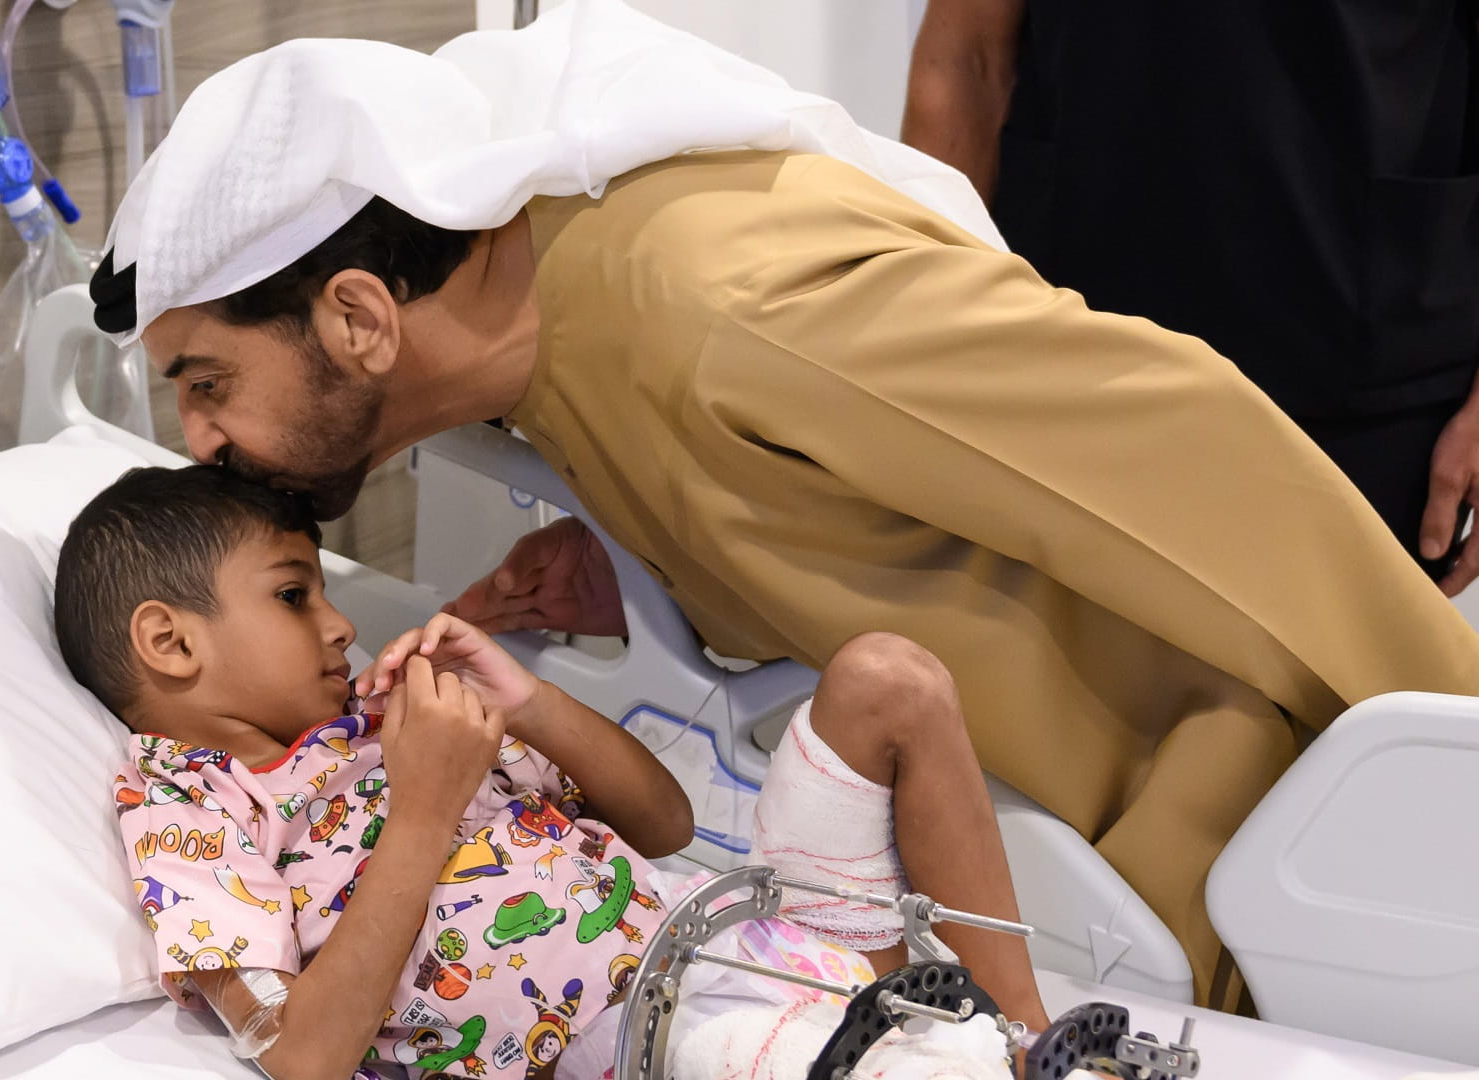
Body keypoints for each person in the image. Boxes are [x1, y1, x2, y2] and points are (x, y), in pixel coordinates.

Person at [85, 9, 1479, 1008]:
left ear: (357, 316)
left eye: (208, 383)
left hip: (1254, 836)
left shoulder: (725, 315)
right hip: (1076, 855)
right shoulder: (545, 352)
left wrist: (1447, 753)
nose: (201, 441)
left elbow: (1194, 450)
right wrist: (656, 567)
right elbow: (830, 499)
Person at [50, 464, 1049, 1079]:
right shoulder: (189, 803)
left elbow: (662, 824)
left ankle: (1024, 1037)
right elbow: (301, 1057)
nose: (340, 622)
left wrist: (526, 702)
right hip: (642, 1043)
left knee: (888, 679)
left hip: (753, 943)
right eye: (292, 594)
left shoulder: (393, 719)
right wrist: (426, 807)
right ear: (169, 642)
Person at [902, 0, 1479, 589]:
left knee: (1340, 650)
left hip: (1362, 368)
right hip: (1060, 352)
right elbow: (966, 59)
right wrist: (922, 331)